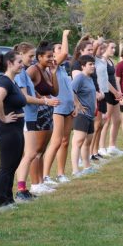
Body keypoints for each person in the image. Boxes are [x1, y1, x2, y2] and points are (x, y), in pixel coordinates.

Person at [13, 42, 56, 200]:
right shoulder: (20, 73)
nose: (32, 59)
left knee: (32, 153)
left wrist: (41, 97)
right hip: (26, 117)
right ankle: (21, 188)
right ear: (21, 55)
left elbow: (31, 92)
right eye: (30, 56)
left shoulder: (23, 71)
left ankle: (23, 189)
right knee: (30, 153)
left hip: (31, 116)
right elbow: (24, 97)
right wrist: (45, 102)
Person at [0, 50, 27, 207]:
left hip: (16, 129)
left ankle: (8, 198)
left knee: (13, 165)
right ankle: (0, 201)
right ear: (9, 63)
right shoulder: (5, 81)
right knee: (6, 167)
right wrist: (3, 117)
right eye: (19, 62)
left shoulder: (12, 81)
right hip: (8, 130)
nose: (22, 65)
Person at [41, 30, 75, 184]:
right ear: (53, 55)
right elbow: (67, 52)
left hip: (68, 108)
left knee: (65, 141)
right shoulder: (52, 65)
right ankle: (45, 175)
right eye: (58, 49)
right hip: (57, 109)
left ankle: (60, 173)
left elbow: (69, 89)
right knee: (56, 142)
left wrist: (75, 105)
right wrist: (65, 35)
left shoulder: (62, 68)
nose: (62, 51)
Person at [27, 41, 60, 195]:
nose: (51, 59)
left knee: (42, 150)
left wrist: (53, 73)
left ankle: (40, 181)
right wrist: (40, 97)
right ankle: (35, 184)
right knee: (36, 150)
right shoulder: (33, 70)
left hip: (47, 112)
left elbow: (55, 91)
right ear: (39, 57)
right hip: (37, 113)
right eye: (48, 56)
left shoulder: (47, 71)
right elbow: (24, 88)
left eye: (52, 56)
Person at [70, 55, 97, 177]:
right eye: (90, 64)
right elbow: (71, 90)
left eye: (93, 64)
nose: (93, 66)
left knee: (88, 142)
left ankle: (87, 167)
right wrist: (77, 104)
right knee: (78, 141)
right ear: (83, 66)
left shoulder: (90, 78)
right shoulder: (79, 77)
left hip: (90, 115)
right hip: (81, 115)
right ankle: (75, 170)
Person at [98, 40, 123, 156]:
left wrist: (119, 92)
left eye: (115, 48)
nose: (114, 50)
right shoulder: (102, 61)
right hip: (108, 93)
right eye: (112, 48)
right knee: (106, 121)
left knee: (117, 120)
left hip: (115, 93)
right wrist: (115, 92)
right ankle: (101, 147)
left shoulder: (111, 61)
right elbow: (104, 80)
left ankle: (112, 146)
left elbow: (114, 78)